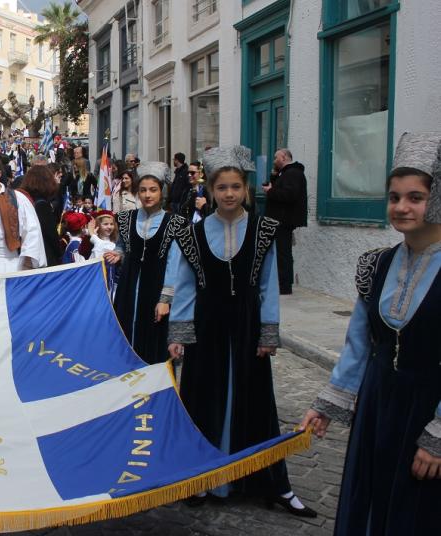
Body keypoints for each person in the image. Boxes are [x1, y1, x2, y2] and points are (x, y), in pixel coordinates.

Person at [300, 133, 441, 535]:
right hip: (377, 405)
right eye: (394, 197)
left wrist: (437, 436)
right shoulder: (376, 264)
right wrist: (330, 401)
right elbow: (359, 343)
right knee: (370, 500)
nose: (401, 207)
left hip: (426, 408)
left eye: (415, 197)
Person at [167, 146, 314, 516]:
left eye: (235, 187)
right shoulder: (194, 234)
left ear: (246, 188)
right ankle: (201, 479)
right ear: (211, 191)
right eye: (222, 188)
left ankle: (271, 483)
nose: (229, 194)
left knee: (256, 402)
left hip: (247, 327)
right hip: (207, 327)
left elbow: (268, 285)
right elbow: (186, 285)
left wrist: (268, 332)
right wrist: (179, 333)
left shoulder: (264, 230)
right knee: (203, 400)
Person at [106, 162, 183, 364]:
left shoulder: (174, 223)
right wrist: (118, 254)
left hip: (155, 289)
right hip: (128, 287)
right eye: (143, 190)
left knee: (152, 344)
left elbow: (174, 264)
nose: (147, 195)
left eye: (153, 190)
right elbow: (122, 246)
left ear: (162, 192)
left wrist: (165, 299)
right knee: (124, 338)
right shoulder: (126, 218)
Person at [263, 148, 308, 295]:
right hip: (281, 219)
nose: (274, 161)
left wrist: (270, 191)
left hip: (284, 220)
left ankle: (284, 286)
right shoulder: (286, 173)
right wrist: (274, 178)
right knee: (281, 252)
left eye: (276, 158)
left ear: (283, 157)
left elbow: (289, 195)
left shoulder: (293, 173)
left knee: (283, 253)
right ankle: (281, 283)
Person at [20, 165, 64, 267]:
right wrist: (59, 253)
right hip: (44, 255)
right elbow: (51, 234)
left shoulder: (26, 201)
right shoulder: (42, 205)